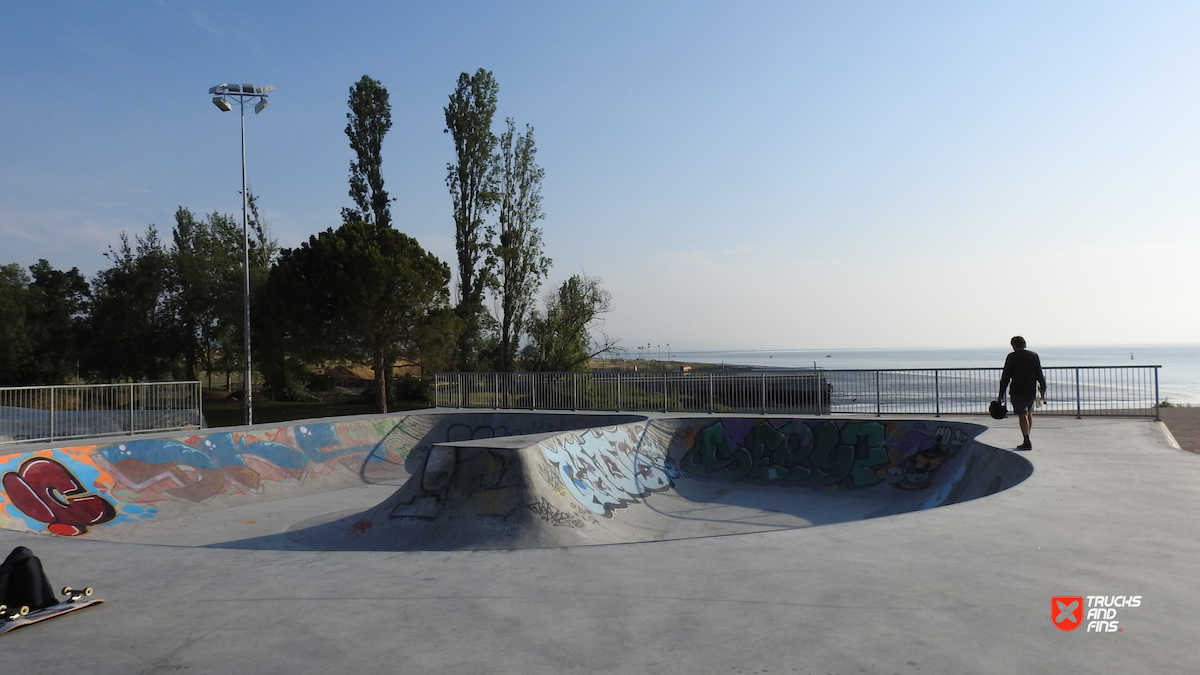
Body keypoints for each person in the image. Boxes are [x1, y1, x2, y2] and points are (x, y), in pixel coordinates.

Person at [998, 336, 1047, 450]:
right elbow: (1039, 373)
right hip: (1030, 389)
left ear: (1013, 345)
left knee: (1022, 414)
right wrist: (1043, 387)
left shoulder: (1012, 357)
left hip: (1017, 390)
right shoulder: (1033, 355)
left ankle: (1026, 440)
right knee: (1028, 413)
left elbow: (1005, 376)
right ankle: (1027, 437)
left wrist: (1001, 394)